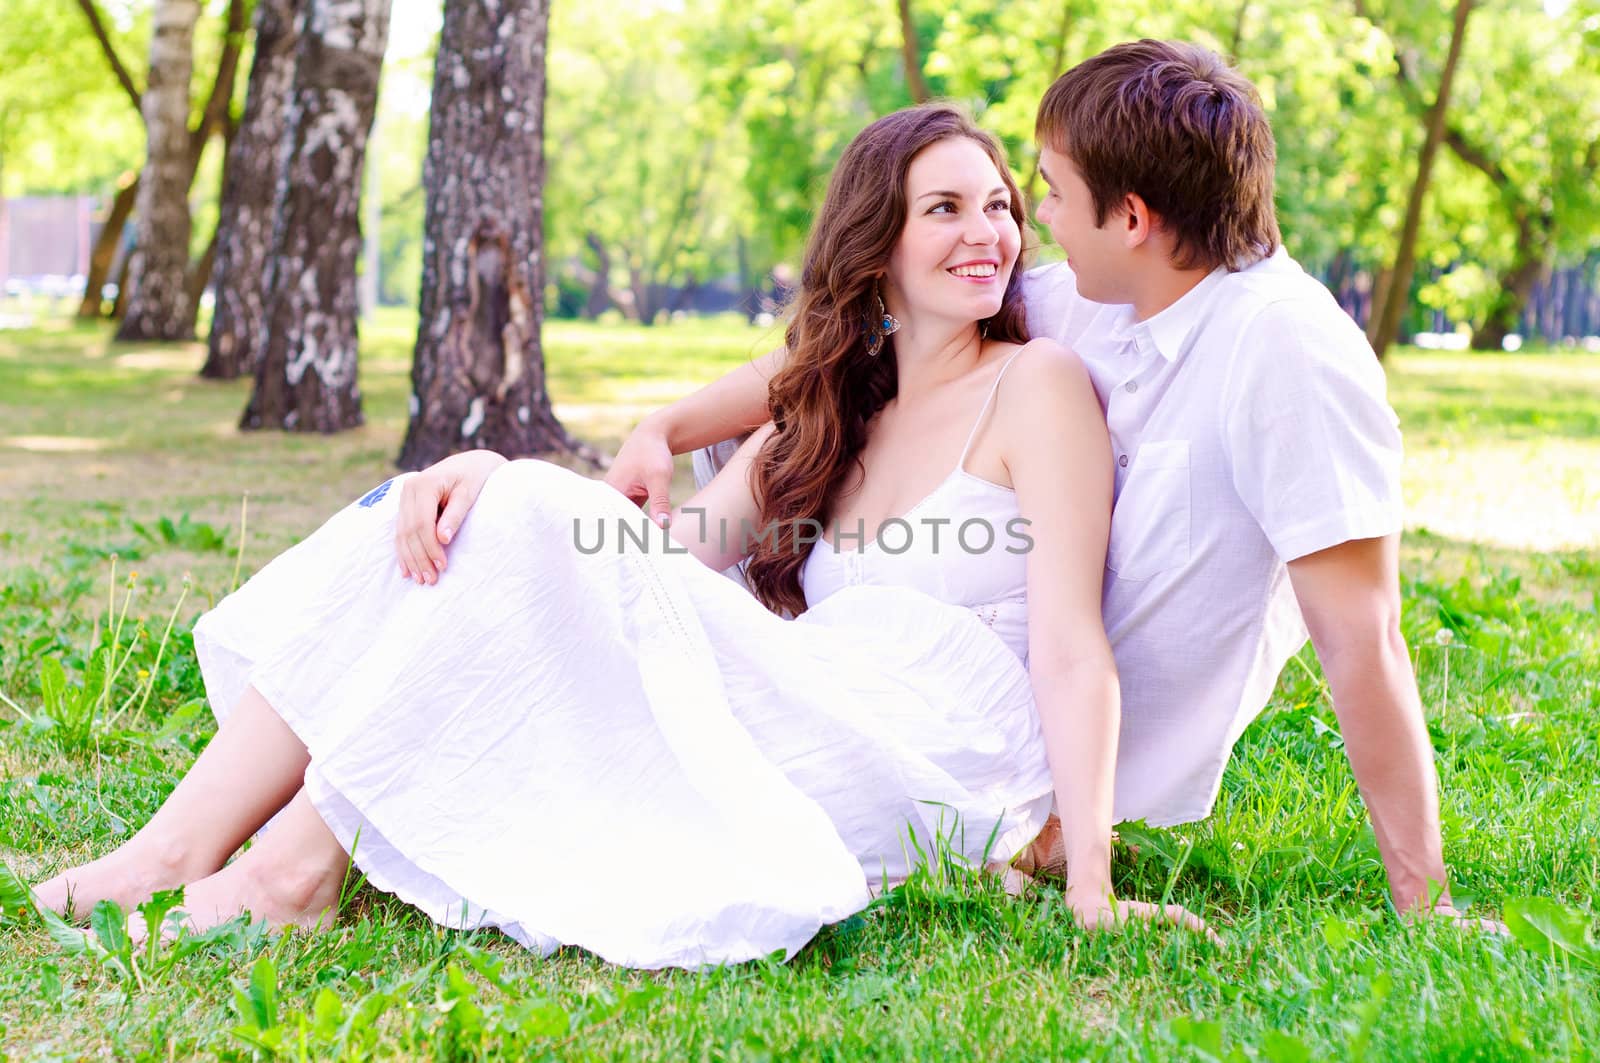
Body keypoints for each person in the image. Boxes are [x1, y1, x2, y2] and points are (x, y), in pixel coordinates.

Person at [34, 105, 1210, 968]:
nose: (988, 233)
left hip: (931, 743)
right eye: (943, 208)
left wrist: (1089, 876)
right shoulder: (830, 407)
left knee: (512, 510)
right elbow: (636, 563)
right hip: (812, 693)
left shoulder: (1038, 384)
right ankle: (180, 845)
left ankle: (291, 869)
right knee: (465, 510)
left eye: (1001, 204)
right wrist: (488, 477)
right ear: (879, 247)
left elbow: (1068, 642)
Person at [580, 41, 1486, 923]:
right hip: (920, 711)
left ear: (1132, 218)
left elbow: (1365, 641)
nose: (1030, 226)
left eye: (1047, 195)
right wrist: (667, 426)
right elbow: (852, 334)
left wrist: (1425, 900)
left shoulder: (1289, 356)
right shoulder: (1082, 296)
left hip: (987, 741)